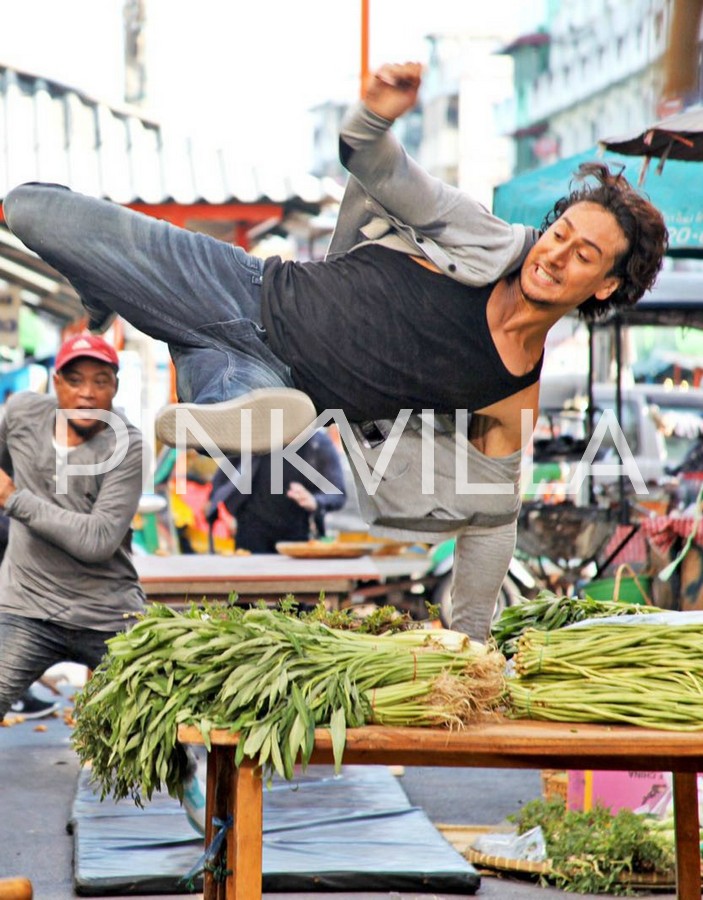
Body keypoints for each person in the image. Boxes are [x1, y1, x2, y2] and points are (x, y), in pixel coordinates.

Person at [2, 61, 668, 641]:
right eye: (560, 233)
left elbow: (492, 516)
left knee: (260, 411)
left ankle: (213, 419)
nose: (556, 253)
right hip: (239, 287)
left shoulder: (510, 389)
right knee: (31, 209)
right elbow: (386, 170)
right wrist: (373, 119)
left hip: (265, 380)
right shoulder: (480, 238)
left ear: (604, 284)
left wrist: (470, 639)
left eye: (583, 255)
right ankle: (104, 287)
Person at [206, 429, 347, 553]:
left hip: (297, 535)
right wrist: (212, 500)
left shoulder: (318, 444)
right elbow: (224, 474)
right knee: (250, 581)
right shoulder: (258, 438)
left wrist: (314, 501)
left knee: (293, 583)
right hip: (251, 531)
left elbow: (337, 492)